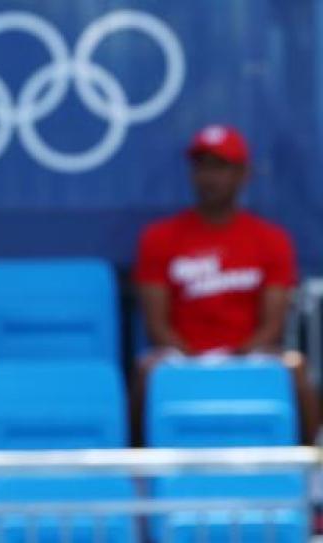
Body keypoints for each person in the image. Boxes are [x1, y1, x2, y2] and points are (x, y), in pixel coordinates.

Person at [134, 124, 317, 442]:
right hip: (182, 355)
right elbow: (156, 325)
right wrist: (192, 357)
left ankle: (313, 462)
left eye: (221, 167)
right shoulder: (159, 237)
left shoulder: (271, 239)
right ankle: (137, 465)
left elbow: (273, 324)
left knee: (296, 367)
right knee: (146, 370)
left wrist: (237, 357)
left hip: (250, 353)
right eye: (202, 167)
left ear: (243, 174)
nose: (210, 178)